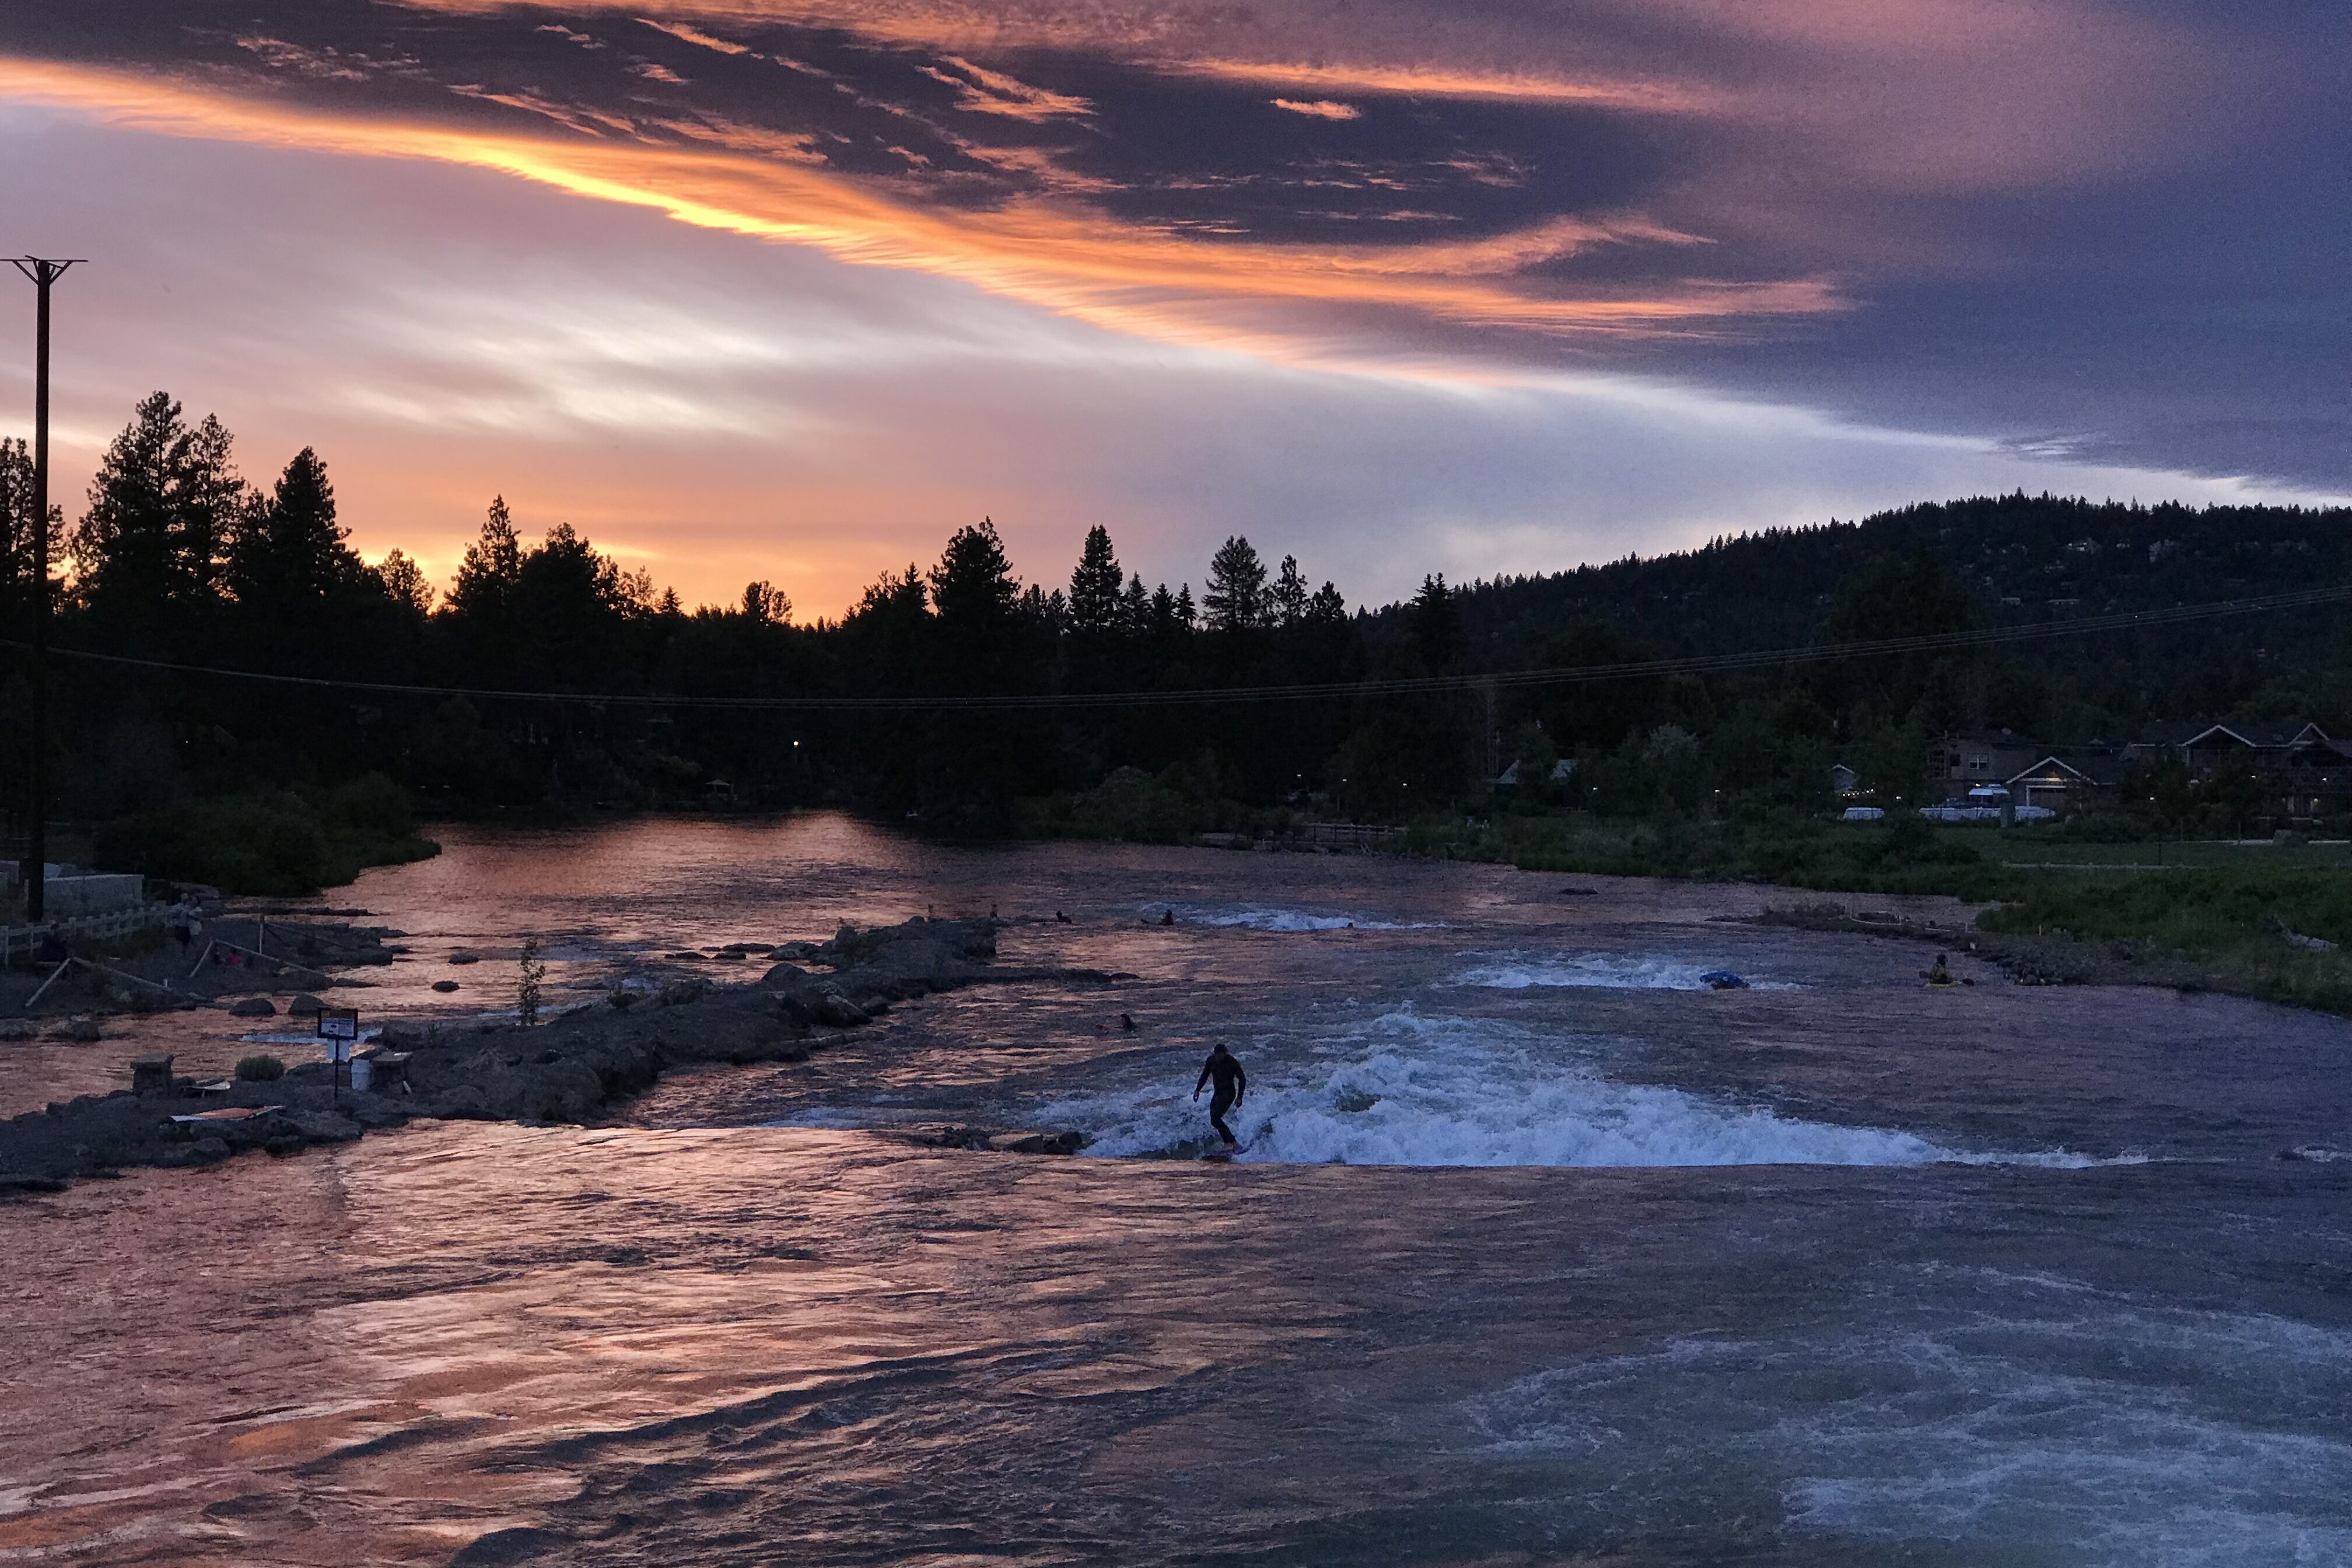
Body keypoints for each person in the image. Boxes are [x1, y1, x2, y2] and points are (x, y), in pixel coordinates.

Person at [1193, 1043, 1247, 1148]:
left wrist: (1240, 1097)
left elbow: (1242, 1079)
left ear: (1225, 1054)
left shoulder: (1232, 1062)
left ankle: (1233, 1143)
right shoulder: (1211, 1061)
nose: (1219, 1057)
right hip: (1218, 1092)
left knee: (1216, 1119)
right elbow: (1205, 1075)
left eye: (1221, 1055)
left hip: (1229, 1093)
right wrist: (1197, 1090)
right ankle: (1228, 1142)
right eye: (1217, 1055)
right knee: (1214, 1120)